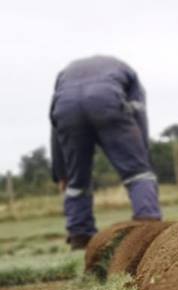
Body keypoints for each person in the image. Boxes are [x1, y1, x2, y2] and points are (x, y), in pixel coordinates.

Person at [49, 56, 162, 249]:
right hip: (106, 100)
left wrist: (61, 173)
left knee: (77, 181)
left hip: (67, 110)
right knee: (138, 173)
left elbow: (55, 129)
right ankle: (148, 226)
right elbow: (139, 115)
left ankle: (80, 237)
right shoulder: (127, 72)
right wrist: (143, 156)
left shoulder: (64, 76)